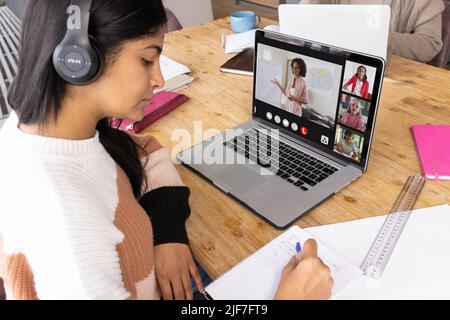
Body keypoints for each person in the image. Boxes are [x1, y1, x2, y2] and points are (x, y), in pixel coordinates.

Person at [0, 0, 333, 300]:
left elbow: (148, 153)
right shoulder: (65, 226)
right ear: (80, 58)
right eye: (147, 59)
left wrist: (166, 233)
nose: (159, 78)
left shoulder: (54, 131)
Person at [300, 0, 445, 64]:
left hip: (393, 79)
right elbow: (302, 20)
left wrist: (381, 39)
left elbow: (429, 42)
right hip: (336, 64)